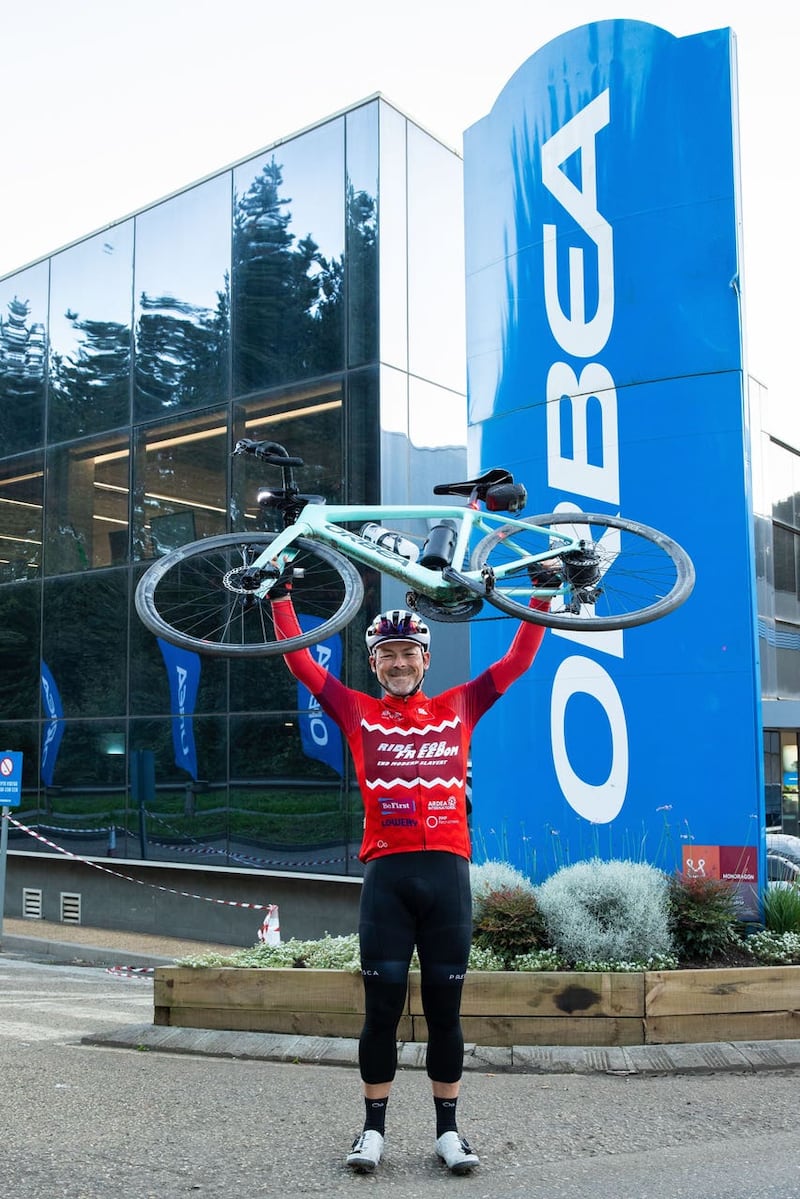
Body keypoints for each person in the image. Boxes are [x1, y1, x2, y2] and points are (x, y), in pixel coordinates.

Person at [270, 585, 550, 1175]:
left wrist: (542, 598)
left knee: (446, 1011)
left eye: (409, 652)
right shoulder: (356, 711)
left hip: (447, 875)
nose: (399, 663)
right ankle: (372, 1132)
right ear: (373, 664)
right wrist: (282, 595)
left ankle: (449, 1133)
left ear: (426, 659)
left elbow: (518, 661)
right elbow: (299, 658)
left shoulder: (460, 706)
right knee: (381, 1011)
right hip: (387, 879)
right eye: (387, 655)